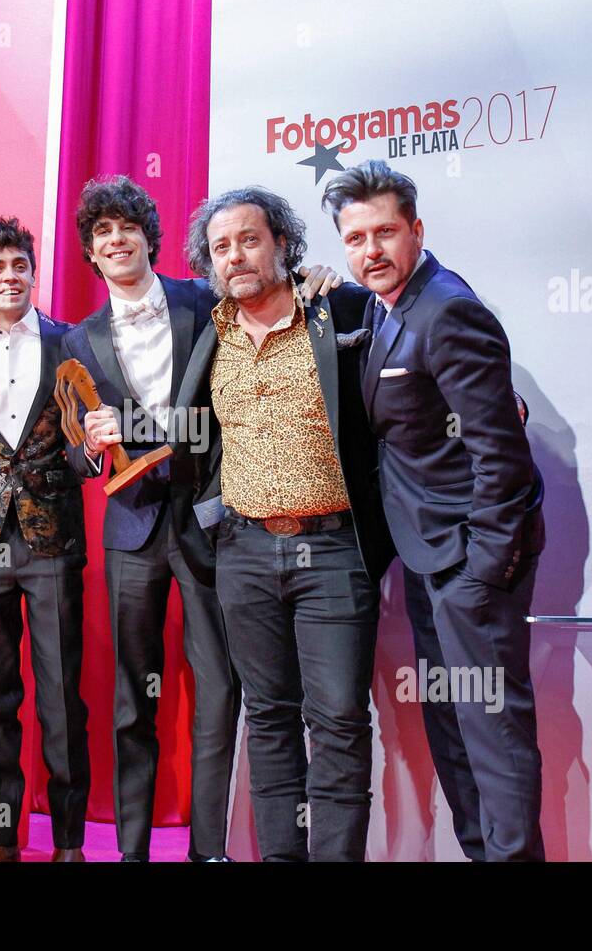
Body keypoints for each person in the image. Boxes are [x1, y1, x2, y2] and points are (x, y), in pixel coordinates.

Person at [323, 159, 546, 861]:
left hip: (469, 562)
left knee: (493, 733)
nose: (371, 251)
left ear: (416, 230)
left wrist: (484, 569)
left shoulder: (447, 309)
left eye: (385, 232)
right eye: (355, 238)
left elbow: (500, 454)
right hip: (429, 557)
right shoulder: (393, 308)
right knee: (453, 729)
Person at [179, 186, 391, 862]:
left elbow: (415, 350)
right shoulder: (209, 331)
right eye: (221, 247)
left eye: (249, 238)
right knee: (267, 720)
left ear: (282, 244)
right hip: (241, 553)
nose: (236, 255)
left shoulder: (342, 310)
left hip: (332, 552)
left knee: (337, 723)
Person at [59, 175, 241, 862]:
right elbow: (77, 456)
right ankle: (132, 853)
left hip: (207, 518)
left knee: (219, 689)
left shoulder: (203, 300)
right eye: (101, 232)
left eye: (125, 227)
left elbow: (219, 413)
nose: (115, 239)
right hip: (131, 531)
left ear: (147, 236)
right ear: (92, 253)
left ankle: (209, 851)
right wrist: (95, 447)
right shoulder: (78, 340)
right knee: (135, 697)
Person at [0, 217, 90, 862]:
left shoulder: (72, 344)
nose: (9, 276)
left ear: (35, 273)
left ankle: (68, 841)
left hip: (51, 541)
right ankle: (2, 831)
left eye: (19, 265)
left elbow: (89, 446)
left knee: (61, 697)